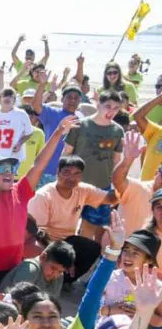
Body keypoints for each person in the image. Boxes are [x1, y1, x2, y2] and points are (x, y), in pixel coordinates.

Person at [0, 110, 79, 299]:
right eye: (2, 169)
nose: (9, 173)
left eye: (12, 169)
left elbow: (39, 164)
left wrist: (59, 132)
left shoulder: (21, 191)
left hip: (12, 268)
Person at [27, 156, 108, 281]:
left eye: (77, 174)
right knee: (38, 249)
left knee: (92, 248)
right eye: (67, 172)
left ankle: (64, 281)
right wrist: (61, 255)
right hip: (44, 240)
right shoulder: (43, 196)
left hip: (68, 240)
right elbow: (37, 233)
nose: (71, 177)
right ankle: (44, 278)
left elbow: (110, 198)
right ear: (57, 172)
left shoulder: (82, 189)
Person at [63, 91, 125, 236]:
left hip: (101, 187)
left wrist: (117, 187)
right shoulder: (80, 125)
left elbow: (117, 161)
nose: (111, 111)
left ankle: (82, 257)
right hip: (75, 185)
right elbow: (66, 154)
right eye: (108, 106)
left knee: (89, 229)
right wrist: (60, 179)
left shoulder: (118, 131)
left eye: (116, 108)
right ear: (98, 105)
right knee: (66, 225)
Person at [0, 240, 75, 301]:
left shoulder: (59, 277)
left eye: (60, 271)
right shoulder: (30, 269)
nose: (55, 274)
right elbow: (15, 301)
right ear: (43, 257)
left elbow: (52, 303)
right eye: (53, 268)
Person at [0, 88, 33, 162]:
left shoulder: (21, 114)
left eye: (10, 95)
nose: (7, 98)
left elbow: (29, 132)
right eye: (5, 95)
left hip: (14, 158)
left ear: (14, 100)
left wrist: (20, 143)